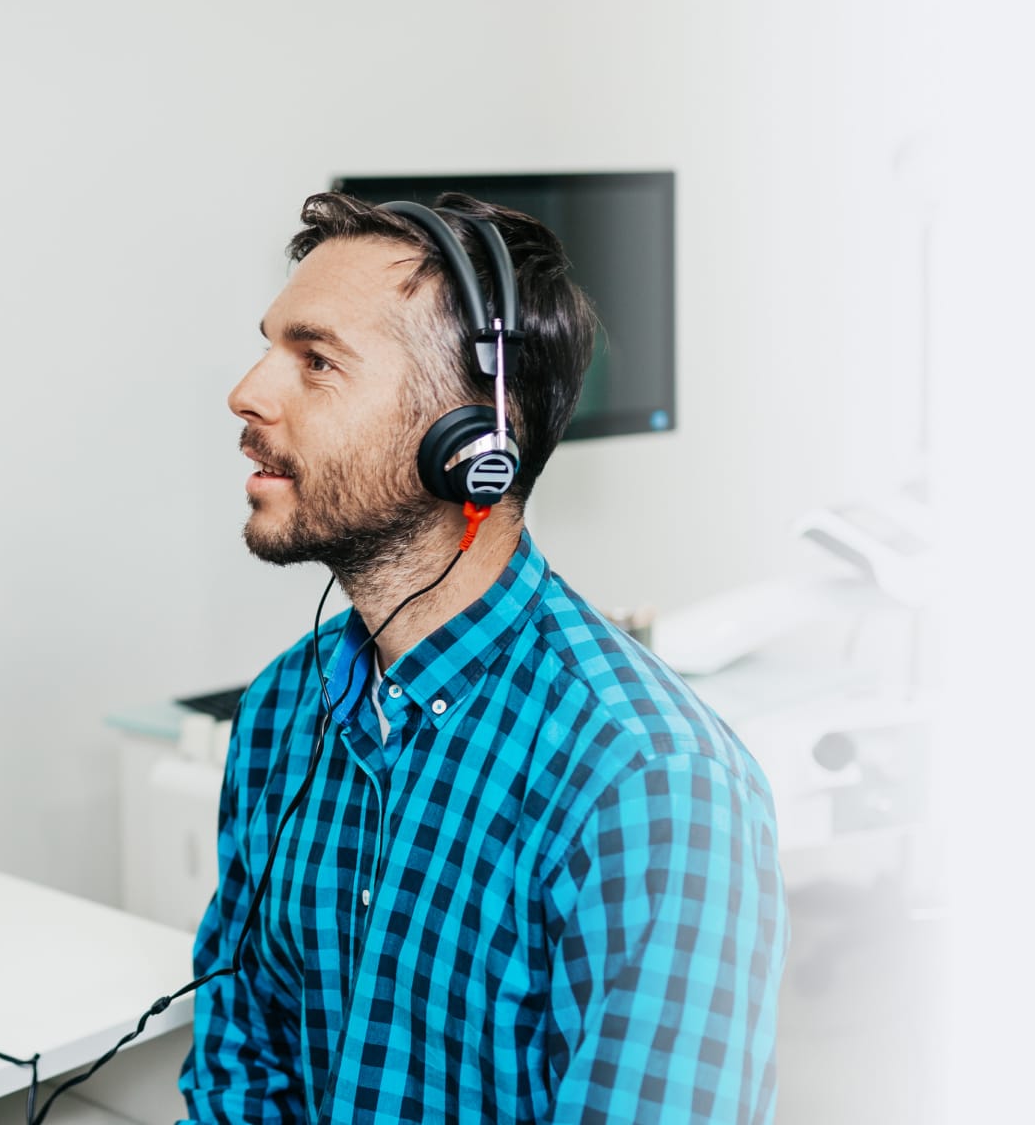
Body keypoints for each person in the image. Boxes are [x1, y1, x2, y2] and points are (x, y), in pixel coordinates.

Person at [183, 191, 786, 1122]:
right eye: (270, 349)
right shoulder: (280, 710)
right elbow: (240, 1067)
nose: (248, 392)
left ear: (467, 439)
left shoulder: (649, 786)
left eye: (317, 360)